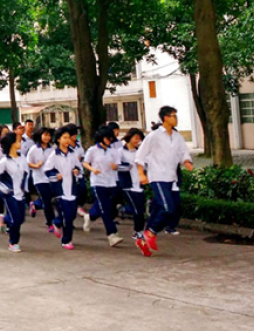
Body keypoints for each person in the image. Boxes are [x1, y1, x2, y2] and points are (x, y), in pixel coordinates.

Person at [136, 106, 193, 253]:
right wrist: (141, 173)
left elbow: (183, 152)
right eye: (173, 116)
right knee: (168, 208)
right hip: (157, 177)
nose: (176, 119)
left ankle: (143, 238)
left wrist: (187, 161)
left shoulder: (177, 136)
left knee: (162, 210)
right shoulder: (154, 136)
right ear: (166, 118)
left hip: (171, 178)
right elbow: (140, 156)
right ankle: (152, 232)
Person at [82, 127, 124, 247]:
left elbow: (118, 165)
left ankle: (89, 216)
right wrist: (92, 169)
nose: (109, 140)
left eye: (111, 138)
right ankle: (112, 234)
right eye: (107, 138)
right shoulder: (92, 150)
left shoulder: (113, 151)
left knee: (107, 206)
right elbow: (85, 162)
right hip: (97, 182)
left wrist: (115, 167)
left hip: (111, 182)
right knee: (105, 208)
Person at [44, 126, 82, 250]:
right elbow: (47, 170)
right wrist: (56, 175)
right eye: (64, 138)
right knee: (67, 216)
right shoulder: (54, 154)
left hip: (72, 188)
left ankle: (57, 223)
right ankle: (66, 240)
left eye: (68, 138)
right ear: (59, 140)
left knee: (71, 215)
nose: (67, 140)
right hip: (60, 190)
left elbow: (79, 167)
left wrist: (77, 171)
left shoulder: (73, 153)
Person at [117, 128, 151, 257]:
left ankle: (123, 210)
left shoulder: (140, 153)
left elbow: (146, 166)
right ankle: (138, 232)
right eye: (136, 138)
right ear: (129, 137)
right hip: (128, 185)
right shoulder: (120, 152)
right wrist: (129, 166)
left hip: (139, 185)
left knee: (140, 209)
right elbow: (115, 166)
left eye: (139, 138)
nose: (138, 141)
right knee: (138, 210)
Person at [0, 133, 29, 252]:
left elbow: (26, 174)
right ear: (12, 144)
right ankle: (13, 242)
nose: (20, 143)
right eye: (18, 141)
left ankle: (5, 219)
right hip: (10, 195)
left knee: (21, 219)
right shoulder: (4, 161)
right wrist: (7, 189)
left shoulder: (22, 158)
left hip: (21, 193)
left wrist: (25, 189)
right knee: (16, 220)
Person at [27, 127, 56, 232]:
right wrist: (35, 165)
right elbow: (28, 163)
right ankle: (51, 223)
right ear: (40, 136)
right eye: (45, 135)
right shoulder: (34, 149)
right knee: (47, 201)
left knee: (51, 197)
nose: (47, 137)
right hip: (39, 179)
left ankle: (35, 204)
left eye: (49, 135)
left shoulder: (52, 149)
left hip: (51, 178)